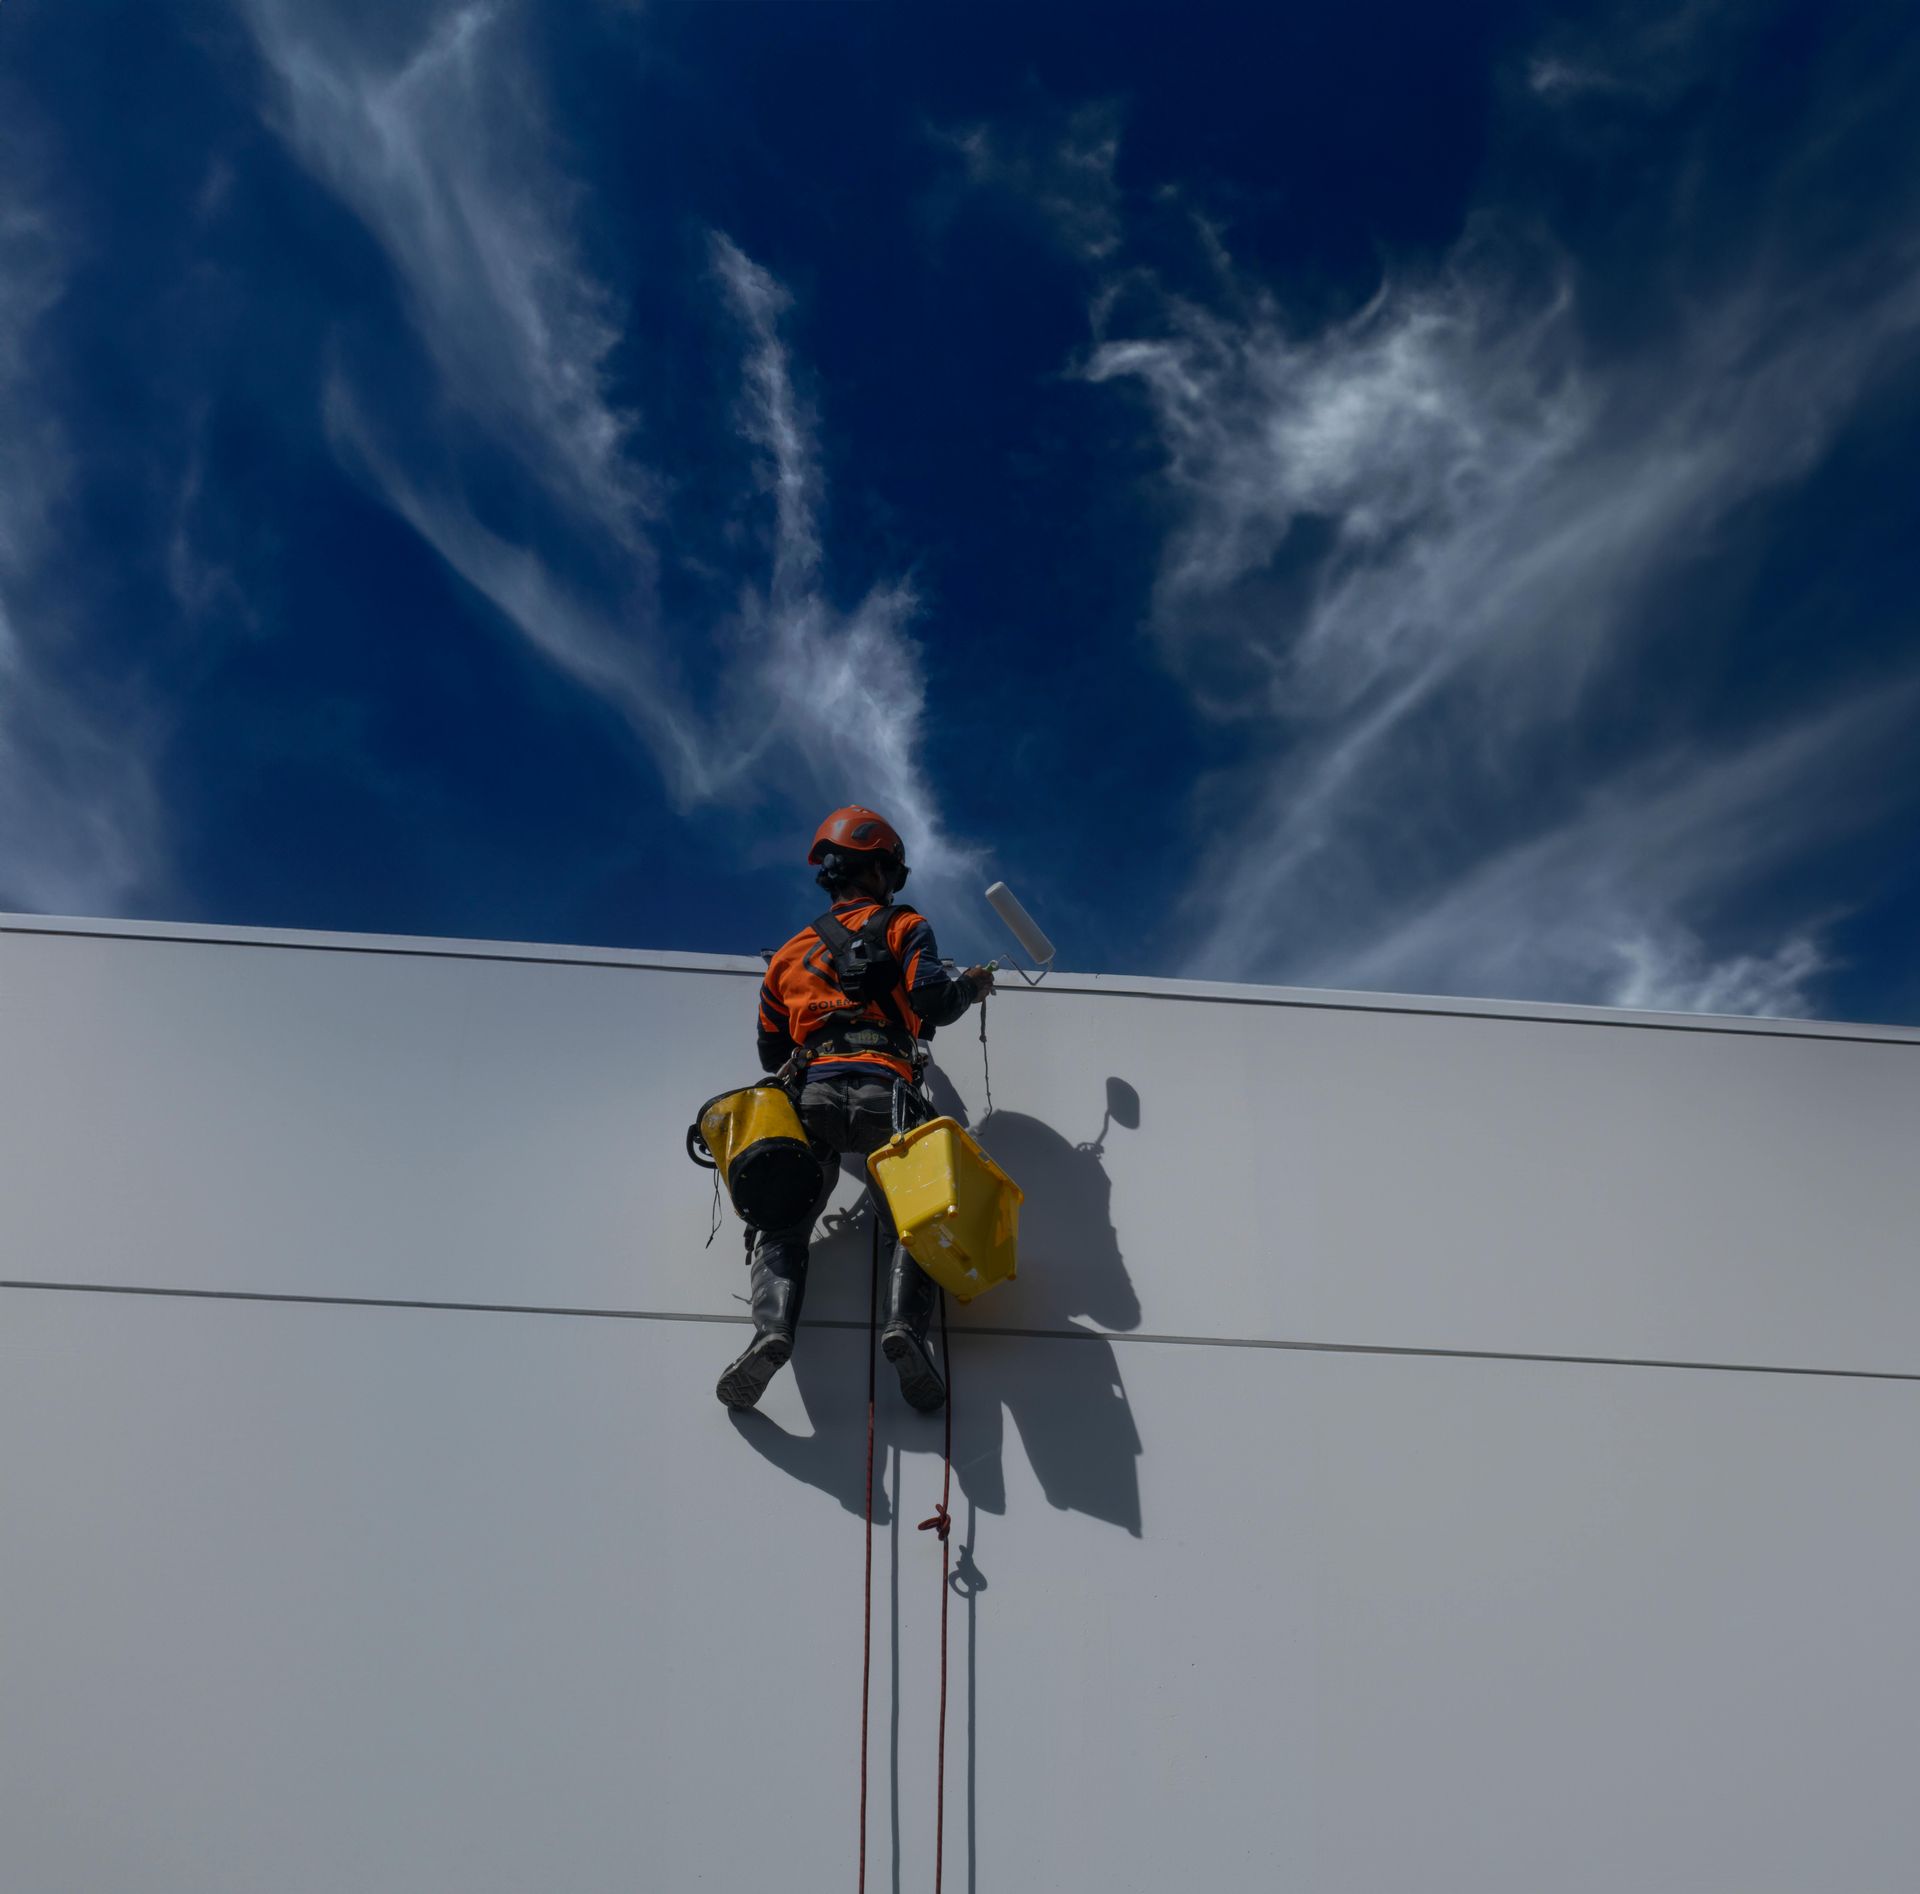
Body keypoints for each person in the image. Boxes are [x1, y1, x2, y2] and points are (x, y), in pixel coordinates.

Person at [716, 805, 995, 1414]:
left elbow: (771, 1051)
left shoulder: (789, 954)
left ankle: (770, 1332)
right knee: (912, 1220)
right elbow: (933, 999)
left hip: (810, 1095)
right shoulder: (904, 925)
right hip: (887, 1090)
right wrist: (973, 984)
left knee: (782, 1217)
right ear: (883, 869)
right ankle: (904, 1331)